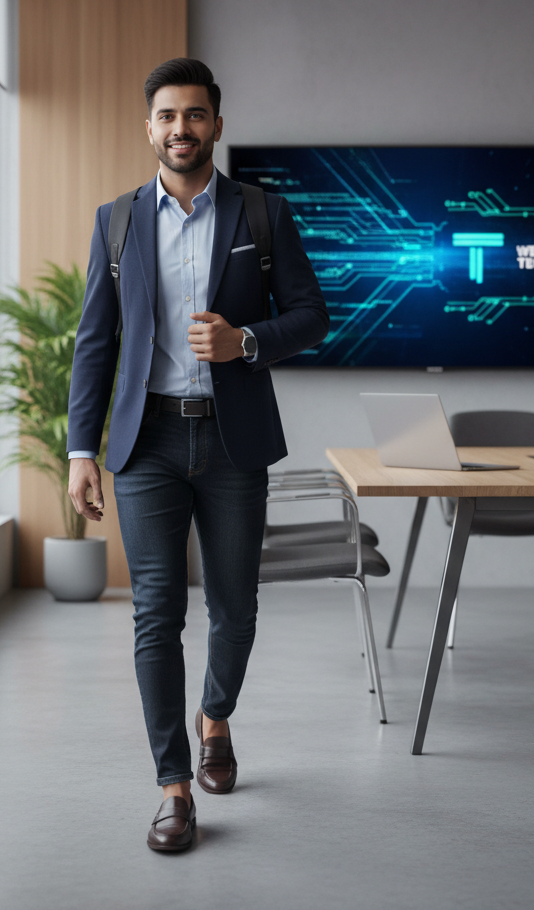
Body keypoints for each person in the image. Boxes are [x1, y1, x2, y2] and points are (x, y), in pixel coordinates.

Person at [66, 58, 328, 852]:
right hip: (144, 442)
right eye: (167, 116)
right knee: (155, 612)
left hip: (232, 436)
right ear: (149, 128)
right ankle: (173, 786)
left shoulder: (262, 214)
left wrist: (245, 340)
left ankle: (215, 718)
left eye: (196, 115)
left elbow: (313, 316)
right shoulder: (117, 222)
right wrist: (82, 449)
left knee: (236, 607)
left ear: (217, 123)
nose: (181, 129)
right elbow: (95, 345)